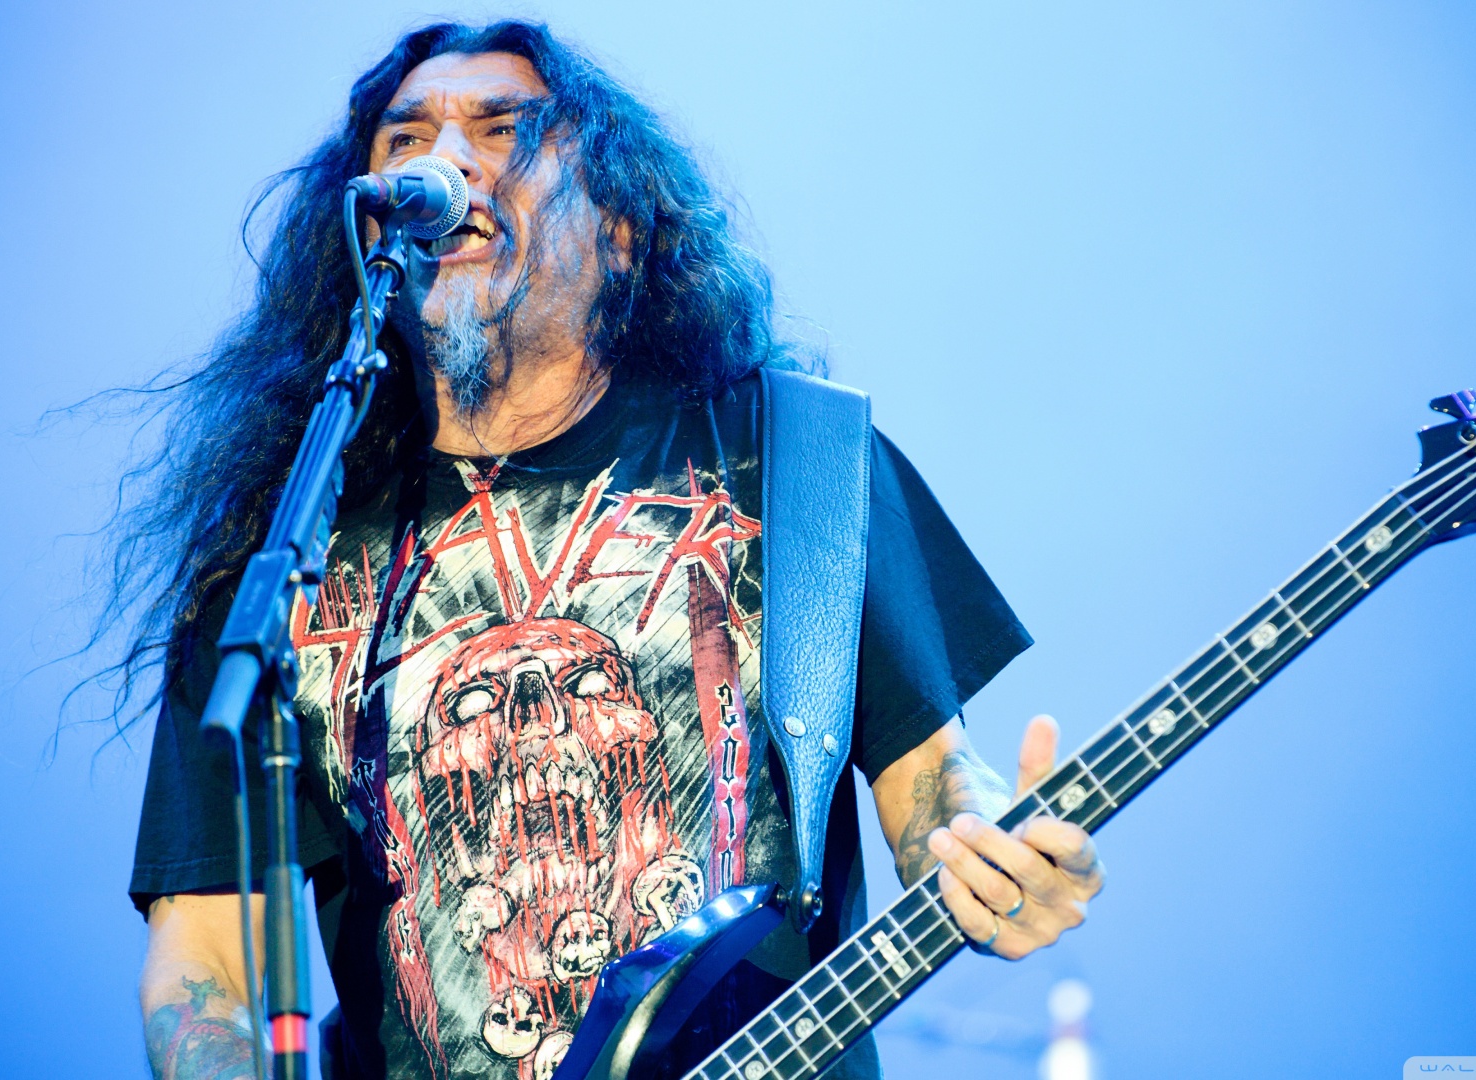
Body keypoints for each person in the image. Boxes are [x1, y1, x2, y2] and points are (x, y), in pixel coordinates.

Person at [127, 20, 1104, 1080]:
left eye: (502, 129)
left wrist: (991, 854)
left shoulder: (798, 460)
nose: (441, 160)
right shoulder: (282, 548)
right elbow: (203, 958)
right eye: (405, 139)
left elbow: (936, 790)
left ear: (621, 228)